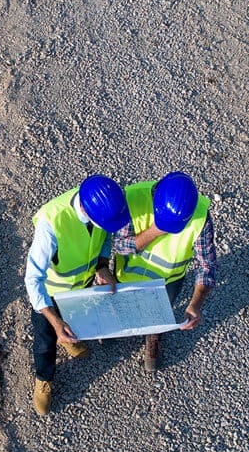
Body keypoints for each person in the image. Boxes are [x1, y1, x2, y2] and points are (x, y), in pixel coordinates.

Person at [24, 175, 131, 415]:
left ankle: (69, 340)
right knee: (44, 342)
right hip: (51, 295)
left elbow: (106, 236)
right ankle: (44, 378)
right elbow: (32, 279)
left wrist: (103, 265)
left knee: (74, 323)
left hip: (80, 288)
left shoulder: (101, 205)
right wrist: (54, 320)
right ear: (85, 209)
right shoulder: (51, 223)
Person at [112, 171, 215, 372]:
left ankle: (154, 334)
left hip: (168, 282)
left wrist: (195, 305)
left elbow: (207, 266)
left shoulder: (200, 216)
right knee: (122, 309)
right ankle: (118, 327)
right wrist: (155, 230)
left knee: (158, 314)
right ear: (154, 197)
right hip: (126, 278)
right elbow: (120, 246)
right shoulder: (131, 198)